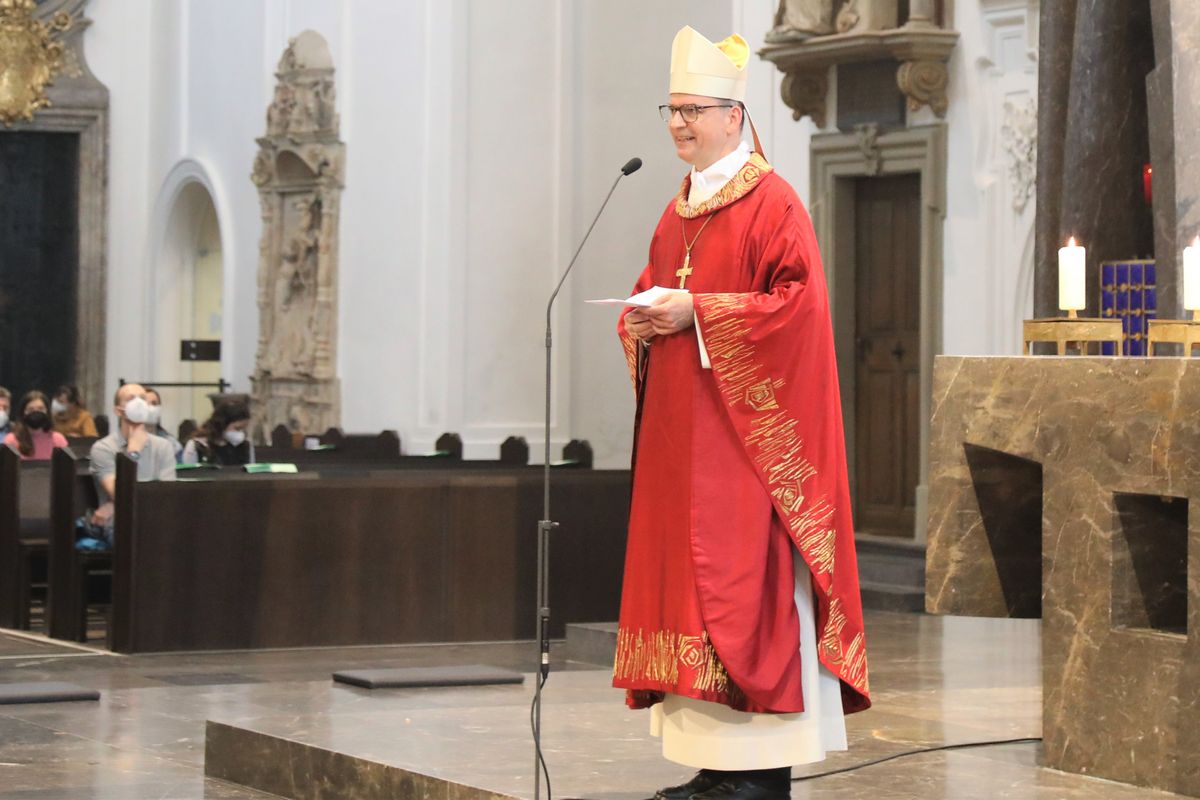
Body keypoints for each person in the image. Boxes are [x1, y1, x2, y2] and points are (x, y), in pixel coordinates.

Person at [612, 27, 870, 800]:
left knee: (745, 594)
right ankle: (715, 768)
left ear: (734, 116)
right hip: (682, 444)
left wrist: (700, 313)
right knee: (688, 599)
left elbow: (799, 310)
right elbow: (656, 288)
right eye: (672, 109)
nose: (679, 123)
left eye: (693, 110)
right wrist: (641, 320)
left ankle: (759, 776)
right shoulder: (676, 212)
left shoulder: (773, 203)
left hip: (747, 448)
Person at [89, 383, 177, 529]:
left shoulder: (164, 446)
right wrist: (133, 452)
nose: (138, 403)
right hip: (118, 525)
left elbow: (166, 495)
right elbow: (121, 494)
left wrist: (113, 505)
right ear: (118, 411)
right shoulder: (103, 448)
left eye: (142, 398)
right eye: (131, 399)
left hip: (155, 521)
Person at [182, 399, 255, 466]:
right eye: (237, 428)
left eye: (244, 429)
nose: (241, 433)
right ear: (222, 424)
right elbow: (189, 472)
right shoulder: (197, 446)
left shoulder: (246, 446)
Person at [3, 391, 68, 460]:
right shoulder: (11, 440)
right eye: (30, 409)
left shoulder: (58, 440)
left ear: (47, 411)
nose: (36, 412)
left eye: (40, 409)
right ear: (23, 413)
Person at [143, 387, 184, 462]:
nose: (150, 408)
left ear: (159, 408)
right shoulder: (128, 442)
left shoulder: (172, 444)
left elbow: (180, 468)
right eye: (145, 404)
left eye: (154, 403)